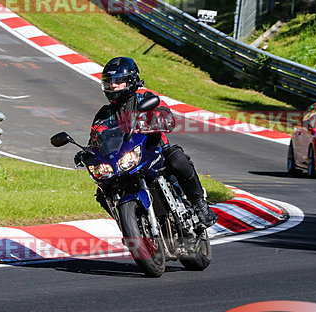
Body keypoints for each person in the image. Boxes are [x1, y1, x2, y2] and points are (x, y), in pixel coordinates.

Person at [79, 56, 217, 228]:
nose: (113, 86)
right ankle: (128, 226)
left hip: (154, 150)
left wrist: (160, 120)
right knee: (102, 191)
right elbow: (95, 137)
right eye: (109, 82)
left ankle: (199, 204)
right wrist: (87, 153)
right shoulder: (104, 114)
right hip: (125, 161)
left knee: (177, 157)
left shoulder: (144, 98)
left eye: (118, 81)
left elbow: (166, 114)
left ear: (131, 80)